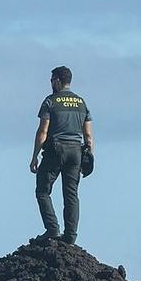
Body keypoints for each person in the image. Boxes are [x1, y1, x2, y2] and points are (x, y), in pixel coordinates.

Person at [30, 66, 93, 243]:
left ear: (58, 80)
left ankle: (52, 229)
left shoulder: (50, 102)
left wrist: (35, 156)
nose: (51, 83)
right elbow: (88, 135)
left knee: (42, 190)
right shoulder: (81, 103)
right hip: (76, 151)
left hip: (56, 150)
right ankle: (71, 237)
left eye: (51, 80)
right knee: (71, 194)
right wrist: (89, 156)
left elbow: (43, 131)